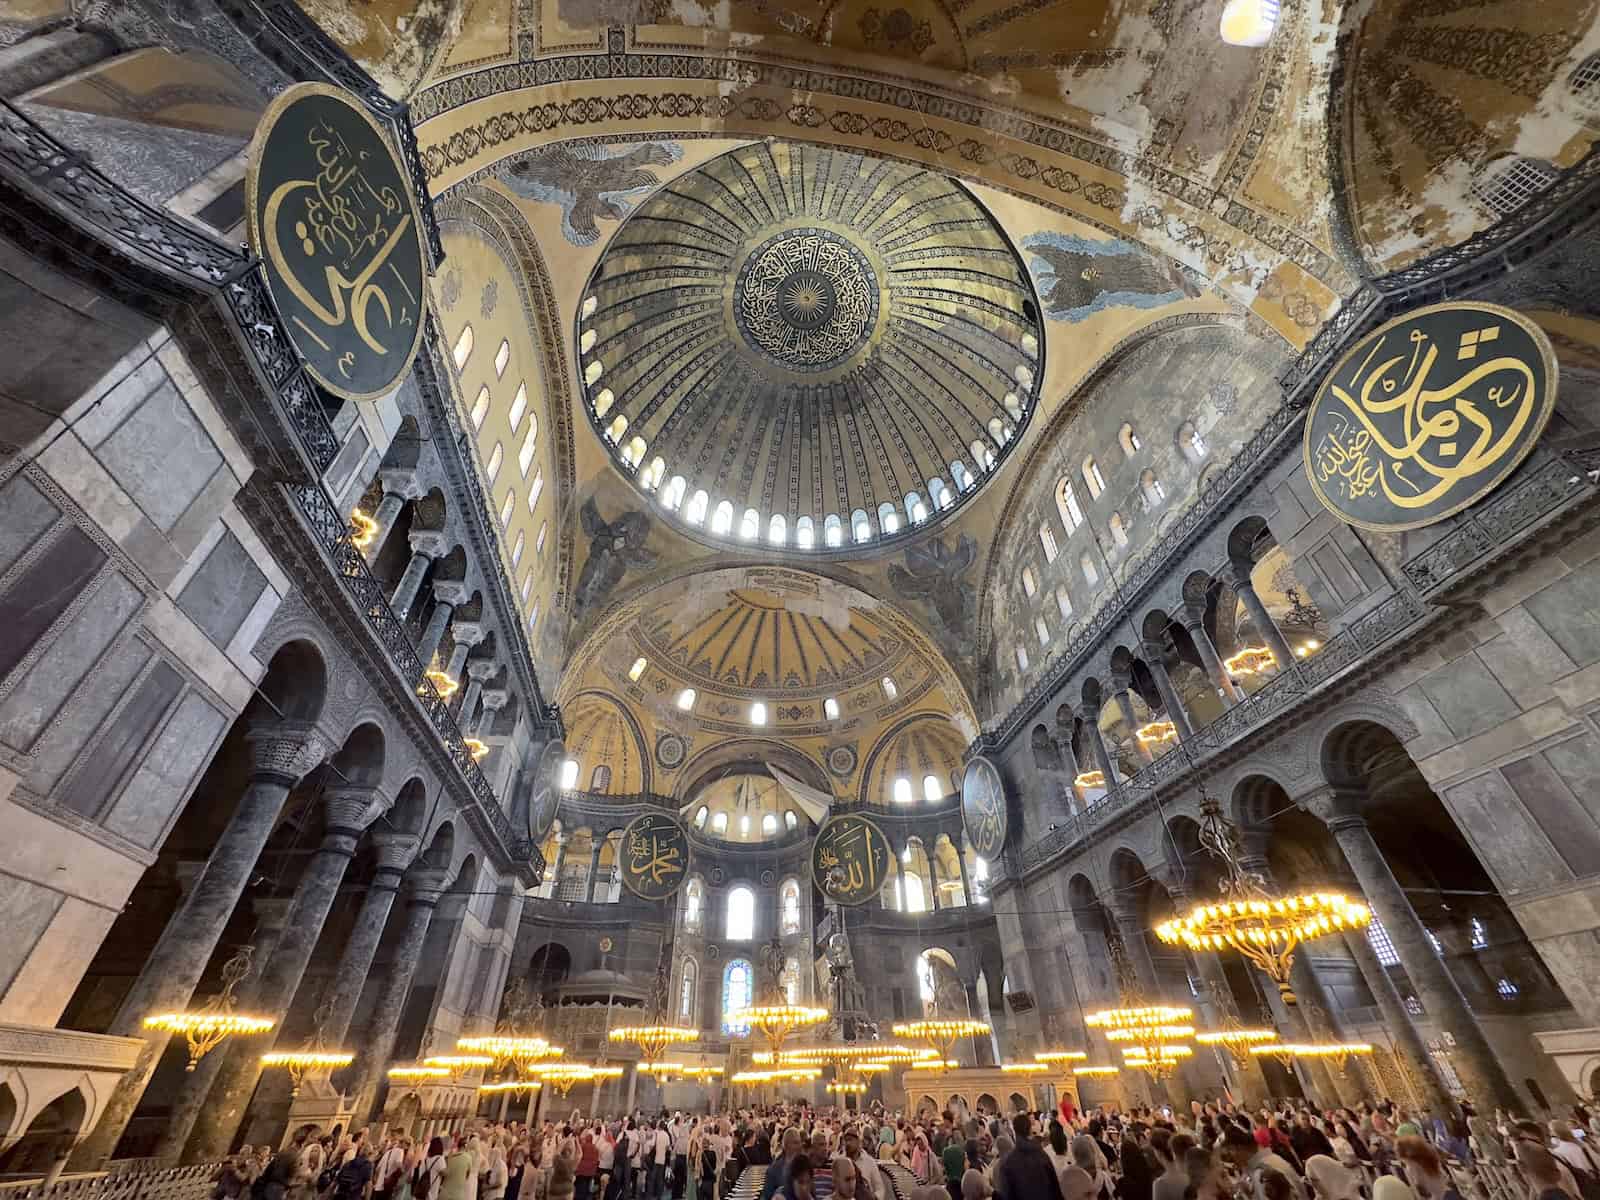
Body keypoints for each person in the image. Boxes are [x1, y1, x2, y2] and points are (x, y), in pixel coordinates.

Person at [997, 1113, 1066, 1200]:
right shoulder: (1041, 1154)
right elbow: (1055, 1188)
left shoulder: (1007, 1163)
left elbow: (1006, 1195)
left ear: (1014, 1130)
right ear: (1030, 1129)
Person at [841, 1129, 882, 1200]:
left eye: (850, 1140)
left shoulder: (869, 1162)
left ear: (858, 1141)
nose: (848, 1143)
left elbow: (880, 1189)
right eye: (846, 1140)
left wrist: (873, 1197)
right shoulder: (840, 1161)